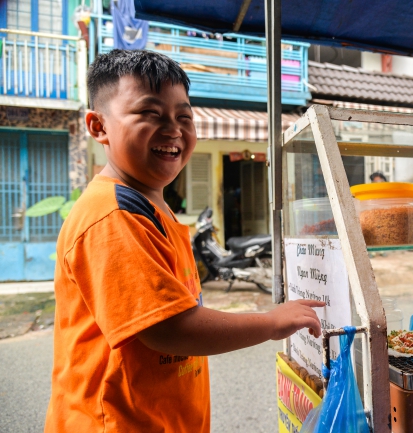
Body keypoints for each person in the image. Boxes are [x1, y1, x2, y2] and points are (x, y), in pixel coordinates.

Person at [44, 49, 324, 432]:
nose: (173, 129)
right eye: (150, 113)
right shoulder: (111, 214)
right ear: (99, 127)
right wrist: (271, 322)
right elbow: (169, 328)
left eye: (184, 116)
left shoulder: (150, 205)